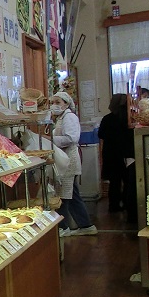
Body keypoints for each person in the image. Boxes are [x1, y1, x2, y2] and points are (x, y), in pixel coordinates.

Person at [49, 91, 97, 236]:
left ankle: (63, 227)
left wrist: (51, 139)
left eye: (58, 102)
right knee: (72, 194)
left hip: (68, 160)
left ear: (67, 104)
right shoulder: (60, 118)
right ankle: (85, 225)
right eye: (53, 102)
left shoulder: (69, 117)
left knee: (64, 194)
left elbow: (72, 138)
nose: (54, 105)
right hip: (63, 159)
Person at [97, 94, 134, 214]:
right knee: (128, 180)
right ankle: (128, 205)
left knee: (114, 182)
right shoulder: (129, 119)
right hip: (127, 153)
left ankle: (114, 205)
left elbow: (100, 134)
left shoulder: (107, 118)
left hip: (111, 153)